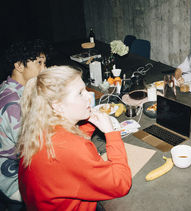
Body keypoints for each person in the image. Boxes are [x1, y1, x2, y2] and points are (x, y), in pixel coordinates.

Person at [17, 66, 131, 210]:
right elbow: (121, 184)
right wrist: (111, 133)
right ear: (57, 106)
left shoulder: (39, 127)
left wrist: (89, 124)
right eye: (80, 93)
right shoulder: (71, 147)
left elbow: (67, 136)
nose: (89, 96)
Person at [0, 39, 48, 202]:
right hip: (9, 177)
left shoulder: (9, 85)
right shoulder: (14, 104)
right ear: (19, 66)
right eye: (39, 63)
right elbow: (35, 152)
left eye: (44, 62)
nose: (44, 68)